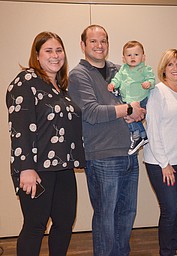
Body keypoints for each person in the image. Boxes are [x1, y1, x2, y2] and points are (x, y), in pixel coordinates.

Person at [68, 25, 145, 256]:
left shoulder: (119, 70)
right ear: (83, 45)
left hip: (130, 154)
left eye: (103, 40)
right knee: (106, 217)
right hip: (102, 157)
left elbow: (137, 100)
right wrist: (128, 108)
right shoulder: (78, 75)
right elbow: (91, 112)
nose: (99, 45)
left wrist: (139, 109)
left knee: (127, 213)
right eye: (93, 41)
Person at [6, 31, 86, 256]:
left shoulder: (60, 88)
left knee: (64, 224)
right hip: (37, 170)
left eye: (59, 50)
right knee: (35, 226)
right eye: (48, 50)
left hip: (63, 168)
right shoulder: (26, 81)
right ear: (37, 55)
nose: (55, 55)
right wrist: (26, 168)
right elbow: (20, 128)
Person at [143, 49, 177, 256]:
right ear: (163, 69)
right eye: (170, 64)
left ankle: (173, 250)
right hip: (161, 162)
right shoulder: (157, 92)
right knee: (170, 210)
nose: (175, 68)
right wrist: (164, 163)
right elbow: (153, 130)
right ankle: (166, 252)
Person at [107, 40, 155, 155]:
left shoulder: (145, 69)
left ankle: (138, 135)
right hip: (128, 100)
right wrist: (113, 84)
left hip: (141, 99)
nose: (132, 57)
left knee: (130, 118)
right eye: (129, 55)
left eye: (136, 55)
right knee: (128, 115)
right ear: (124, 58)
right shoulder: (123, 69)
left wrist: (148, 83)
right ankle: (142, 135)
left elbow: (152, 79)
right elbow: (117, 79)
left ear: (143, 57)